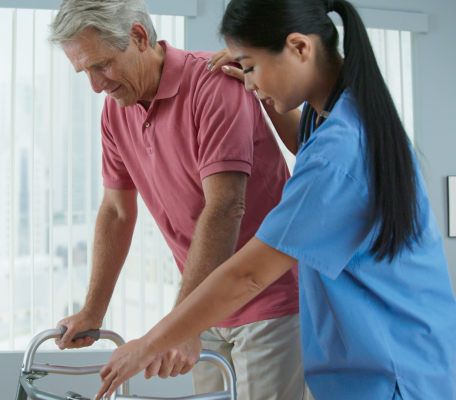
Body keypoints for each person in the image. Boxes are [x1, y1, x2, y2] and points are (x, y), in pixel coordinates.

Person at [95, 0, 456, 399]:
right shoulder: (340, 117)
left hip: (392, 371)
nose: (247, 83)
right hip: (394, 358)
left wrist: (149, 344)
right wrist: (262, 87)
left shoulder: (338, 155)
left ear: (300, 48)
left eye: (250, 66)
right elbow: (304, 140)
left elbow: (247, 275)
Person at [47, 1, 310, 399]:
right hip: (203, 299)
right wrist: (93, 310)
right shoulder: (116, 112)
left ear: (138, 36)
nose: (96, 85)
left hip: (266, 297)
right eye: (85, 72)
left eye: (102, 65)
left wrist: (182, 323)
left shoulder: (213, 83)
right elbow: (117, 212)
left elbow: (224, 207)